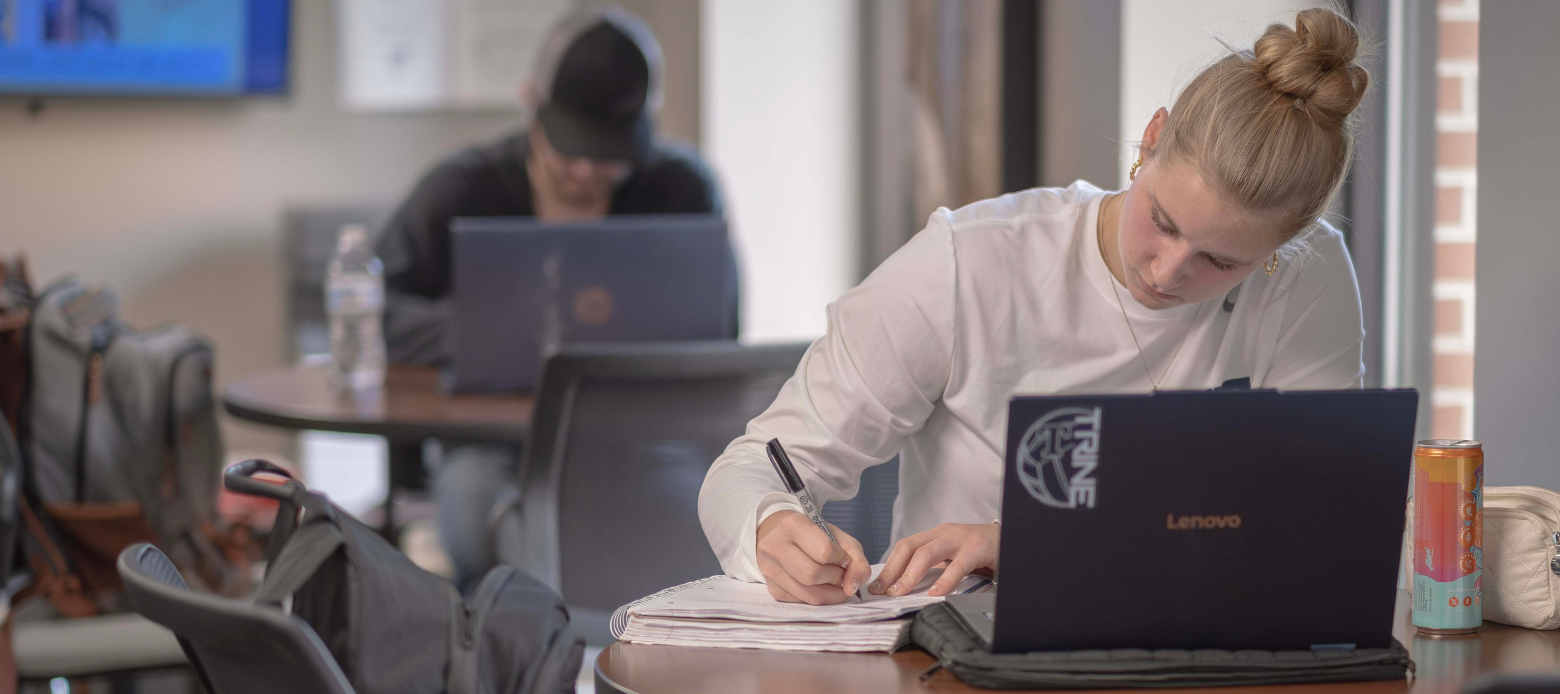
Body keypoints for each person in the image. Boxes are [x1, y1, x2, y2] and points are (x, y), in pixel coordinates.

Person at [698, 8, 1370, 605]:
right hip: (962, 660)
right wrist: (769, 527)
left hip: (1201, 652)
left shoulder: (1305, 282)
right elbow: (750, 468)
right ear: (1151, 138)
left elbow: (1321, 520)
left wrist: (1025, 542)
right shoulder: (968, 263)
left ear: (1284, 247)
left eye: (1221, 263)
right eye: (1163, 222)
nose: (1167, 272)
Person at [374, 6, 724, 591]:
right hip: (493, 444)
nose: (585, 170)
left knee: (700, 527)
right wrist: (483, 334)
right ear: (530, 102)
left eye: (607, 155)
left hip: (640, 438)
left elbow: (717, 326)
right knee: (489, 530)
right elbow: (378, 310)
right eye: (571, 149)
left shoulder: (681, 191)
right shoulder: (464, 189)